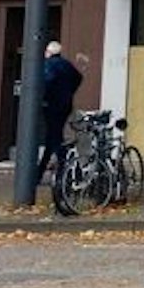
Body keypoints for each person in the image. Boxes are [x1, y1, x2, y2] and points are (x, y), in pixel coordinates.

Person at [38, 41, 84, 200]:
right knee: (52, 137)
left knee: (55, 137)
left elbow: (47, 81)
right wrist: (69, 92)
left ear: (48, 52)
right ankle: (39, 172)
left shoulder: (49, 64)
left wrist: (44, 97)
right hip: (65, 105)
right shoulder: (66, 64)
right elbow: (79, 77)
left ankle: (67, 169)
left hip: (52, 105)